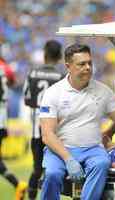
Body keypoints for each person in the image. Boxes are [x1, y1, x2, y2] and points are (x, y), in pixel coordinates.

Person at [39, 43, 115, 200]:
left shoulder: (103, 91)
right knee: (52, 174)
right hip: (60, 150)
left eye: (89, 63)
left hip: (92, 149)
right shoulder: (53, 93)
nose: (87, 67)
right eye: (81, 64)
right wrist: (68, 159)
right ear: (68, 66)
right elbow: (47, 135)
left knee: (101, 164)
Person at [23, 40, 64, 200]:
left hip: (37, 132)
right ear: (60, 56)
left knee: (37, 169)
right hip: (55, 133)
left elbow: (27, 100)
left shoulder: (33, 74)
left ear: (44, 54)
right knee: (54, 169)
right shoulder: (61, 77)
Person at [0, 56, 27, 200]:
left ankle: (18, 184)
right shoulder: (5, 67)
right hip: (2, 118)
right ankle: (18, 184)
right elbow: (13, 81)